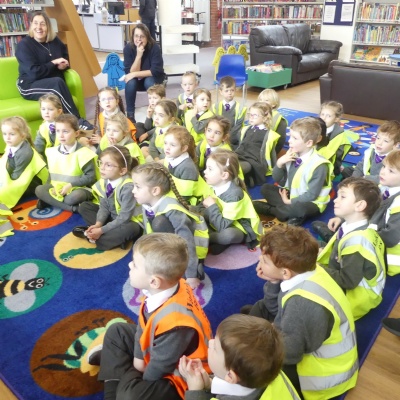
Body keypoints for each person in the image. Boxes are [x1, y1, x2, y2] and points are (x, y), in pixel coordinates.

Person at [241, 225, 358, 400]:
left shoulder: (300, 305)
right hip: (310, 338)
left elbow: (290, 354)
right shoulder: (311, 269)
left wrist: (264, 340)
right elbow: (278, 308)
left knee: (254, 372)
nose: (259, 260)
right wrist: (274, 282)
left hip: (323, 379)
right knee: (257, 309)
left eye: (264, 261)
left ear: (285, 272)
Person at [94, 233, 212, 400]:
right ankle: (116, 365)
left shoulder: (177, 325)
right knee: (117, 331)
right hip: (160, 348)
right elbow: (143, 327)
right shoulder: (165, 287)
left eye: (135, 265)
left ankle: (116, 364)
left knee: (131, 395)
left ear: (154, 282)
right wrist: (137, 360)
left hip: (180, 376)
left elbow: (160, 367)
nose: (129, 265)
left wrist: (139, 376)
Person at [179, 314, 301, 400]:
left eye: (215, 347)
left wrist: (195, 391)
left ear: (230, 376)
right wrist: (209, 384)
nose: (210, 342)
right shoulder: (269, 372)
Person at [317, 177, 386, 320]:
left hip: (359, 295)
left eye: (342, 197)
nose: (335, 201)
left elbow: (347, 281)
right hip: (351, 270)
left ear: (360, 206)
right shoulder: (357, 225)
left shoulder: (357, 244)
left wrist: (316, 267)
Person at [132, 163, 209, 289]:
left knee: (159, 222)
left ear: (155, 191)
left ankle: (195, 269)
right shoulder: (147, 204)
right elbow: (149, 232)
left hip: (194, 246)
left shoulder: (171, 209)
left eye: (138, 187)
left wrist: (191, 275)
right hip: (170, 240)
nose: (133, 191)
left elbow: (187, 242)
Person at [15, 11, 92, 130]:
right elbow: (34, 73)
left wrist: (63, 66)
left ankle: (66, 128)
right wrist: (53, 63)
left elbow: (65, 58)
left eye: (42, 24)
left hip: (50, 82)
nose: (39, 27)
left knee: (57, 82)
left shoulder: (55, 41)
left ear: (48, 26)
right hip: (28, 85)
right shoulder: (24, 45)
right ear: (31, 25)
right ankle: (76, 121)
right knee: (56, 83)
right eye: (35, 23)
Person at [253, 117, 333, 226]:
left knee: (300, 209)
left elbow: (311, 195)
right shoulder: (292, 154)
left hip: (311, 202)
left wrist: (288, 201)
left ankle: (271, 210)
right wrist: (279, 164)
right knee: (266, 188)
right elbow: (279, 180)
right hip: (293, 194)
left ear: (309, 143)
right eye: (290, 136)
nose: (289, 140)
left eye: (295, 138)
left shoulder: (319, 165)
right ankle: (292, 215)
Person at [72, 145, 142, 251]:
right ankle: (112, 237)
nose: (102, 168)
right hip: (113, 217)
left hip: (129, 221)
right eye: (101, 163)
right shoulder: (105, 180)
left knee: (132, 228)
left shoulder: (128, 187)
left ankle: (96, 237)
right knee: (84, 207)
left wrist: (101, 230)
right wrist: (98, 224)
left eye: (108, 165)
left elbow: (124, 217)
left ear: (122, 171)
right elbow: (104, 207)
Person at [202, 149, 262, 255]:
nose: (204, 171)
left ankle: (204, 238)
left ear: (224, 175)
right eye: (206, 168)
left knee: (229, 235)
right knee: (194, 212)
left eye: (210, 169)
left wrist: (212, 206)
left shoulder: (234, 194)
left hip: (239, 226)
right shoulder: (213, 183)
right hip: (221, 218)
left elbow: (222, 226)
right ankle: (216, 240)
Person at [35, 114, 98, 212]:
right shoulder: (52, 152)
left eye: (65, 131)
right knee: (39, 189)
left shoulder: (84, 153)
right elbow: (51, 175)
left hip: (78, 188)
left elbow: (90, 177)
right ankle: (73, 208)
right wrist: (51, 187)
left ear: (76, 133)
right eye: (58, 131)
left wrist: (71, 185)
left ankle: (52, 201)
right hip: (59, 188)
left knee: (73, 198)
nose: (61, 135)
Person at [0, 116, 48, 209]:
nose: (7, 138)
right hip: (16, 176)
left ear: (22, 136)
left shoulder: (25, 153)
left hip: (31, 184)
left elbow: (16, 177)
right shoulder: (11, 145)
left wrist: (3, 183)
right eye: (4, 134)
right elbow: (6, 164)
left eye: (12, 134)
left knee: (3, 194)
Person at [123, 23, 165, 123]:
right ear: (133, 37)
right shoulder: (128, 48)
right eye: (136, 36)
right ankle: (130, 115)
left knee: (148, 81)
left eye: (142, 36)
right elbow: (130, 72)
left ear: (147, 37)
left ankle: (157, 111)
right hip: (137, 81)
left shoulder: (155, 47)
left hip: (153, 78)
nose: (139, 39)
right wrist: (139, 55)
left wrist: (134, 74)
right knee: (130, 82)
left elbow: (155, 71)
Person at [235, 102, 280, 187]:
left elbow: (272, 155)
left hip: (252, 161)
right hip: (239, 155)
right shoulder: (246, 129)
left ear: (265, 118)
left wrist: (275, 169)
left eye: (255, 115)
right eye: (250, 114)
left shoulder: (268, 134)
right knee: (224, 162)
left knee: (236, 168)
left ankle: (245, 180)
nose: (251, 117)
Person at [370, 150, 400, 276]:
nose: (382, 172)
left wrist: (363, 236)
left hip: (388, 259)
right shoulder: (384, 187)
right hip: (376, 237)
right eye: (383, 166)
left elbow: (390, 238)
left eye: (391, 171)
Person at [163, 126, 210, 205]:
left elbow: (185, 197)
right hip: (175, 193)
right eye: (165, 143)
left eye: (173, 145)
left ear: (184, 148)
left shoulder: (187, 167)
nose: (167, 148)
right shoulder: (170, 157)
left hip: (195, 202)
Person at [317, 101, 357, 176]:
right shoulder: (315, 127)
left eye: (328, 116)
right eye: (322, 114)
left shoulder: (339, 135)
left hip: (328, 165)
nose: (324, 118)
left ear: (336, 119)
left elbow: (332, 156)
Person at [212, 76, 246, 150]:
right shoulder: (215, 107)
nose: (230, 93)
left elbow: (238, 127)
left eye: (232, 90)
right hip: (219, 138)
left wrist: (227, 138)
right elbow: (215, 123)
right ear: (221, 92)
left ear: (235, 90)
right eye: (226, 91)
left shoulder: (241, 108)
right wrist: (221, 137)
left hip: (233, 140)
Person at [257, 88, 288, 154]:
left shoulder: (280, 120)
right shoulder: (256, 114)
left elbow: (280, 141)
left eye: (266, 100)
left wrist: (273, 153)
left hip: (267, 150)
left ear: (274, 104)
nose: (262, 102)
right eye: (260, 100)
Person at [34, 94, 63, 159]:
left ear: (59, 111)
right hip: (50, 157)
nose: (46, 112)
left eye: (50, 109)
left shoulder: (65, 125)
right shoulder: (43, 127)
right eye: (43, 109)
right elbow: (38, 145)